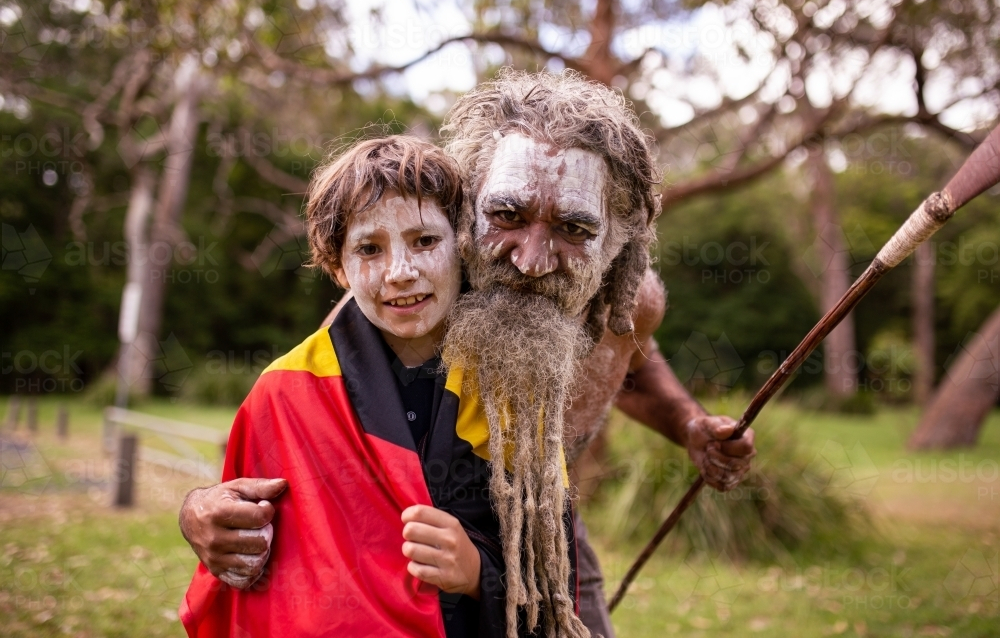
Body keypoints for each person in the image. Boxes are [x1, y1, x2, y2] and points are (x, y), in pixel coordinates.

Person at [179, 70, 757, 638]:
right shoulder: (414, 291)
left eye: (573, 228)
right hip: (422, 545)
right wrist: (200, 510)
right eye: (506, 215)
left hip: (546, 533)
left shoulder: (628, 301)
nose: (531, 261)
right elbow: (309, 417)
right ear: (466, 204)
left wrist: (690, 426)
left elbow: (629, 363)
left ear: (616, 239)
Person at [180, 135, 580, 637]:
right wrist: (196, 512)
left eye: (425, 241)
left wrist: (480, 575)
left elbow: (555, 587)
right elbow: (237, 551)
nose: (401, 273)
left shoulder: (513, 387)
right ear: (336, 266)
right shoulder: (284, 391)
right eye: (369, 249)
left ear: (464, 244)